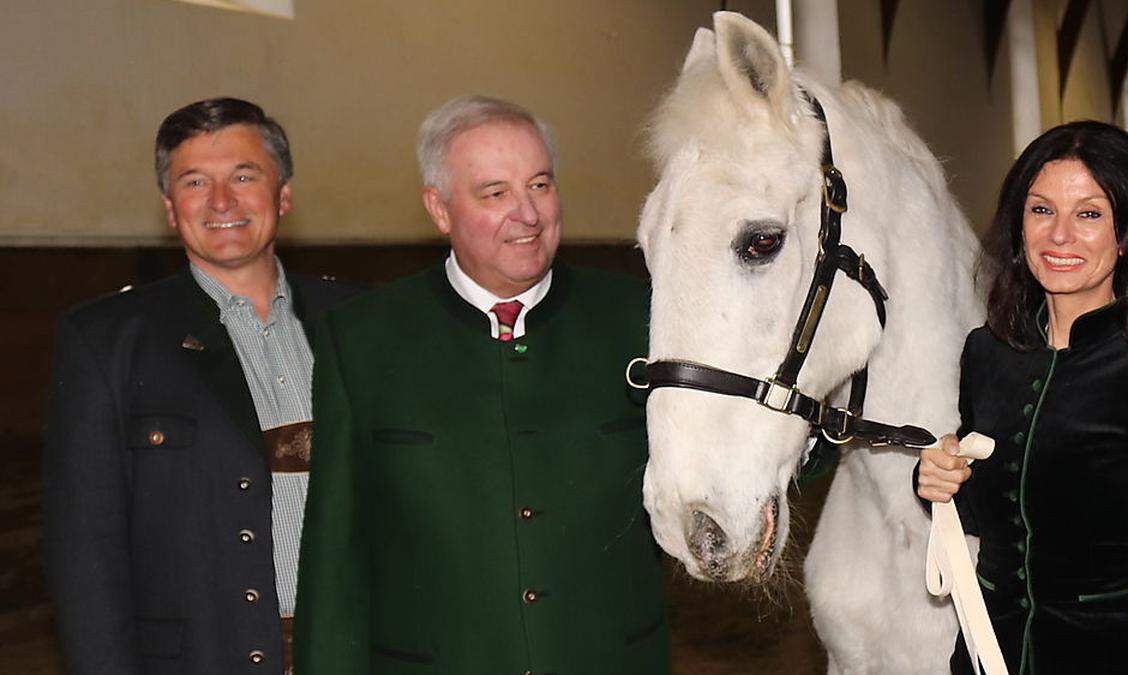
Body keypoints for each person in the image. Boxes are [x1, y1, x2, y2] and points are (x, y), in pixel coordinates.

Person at [294, 95, 668, 674]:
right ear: (439, 210)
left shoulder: (641, 320)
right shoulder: (363, 341)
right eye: (496, 194)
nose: (529, 214)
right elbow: (334, 559)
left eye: (540, 185)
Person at [44, 97, 354, 674]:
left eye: (243, 175)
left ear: (283, 194)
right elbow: (85, 557)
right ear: (169, 207)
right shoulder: (106, 342)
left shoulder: (361, 323)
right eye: (195, 182)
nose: (221, 202)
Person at [916, 120, 1128, 673]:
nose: (1059, 236)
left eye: (1088, 214)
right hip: (989, 653)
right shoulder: (986, 352)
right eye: (1041, 210)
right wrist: (937, 480)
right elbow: (988, 507)